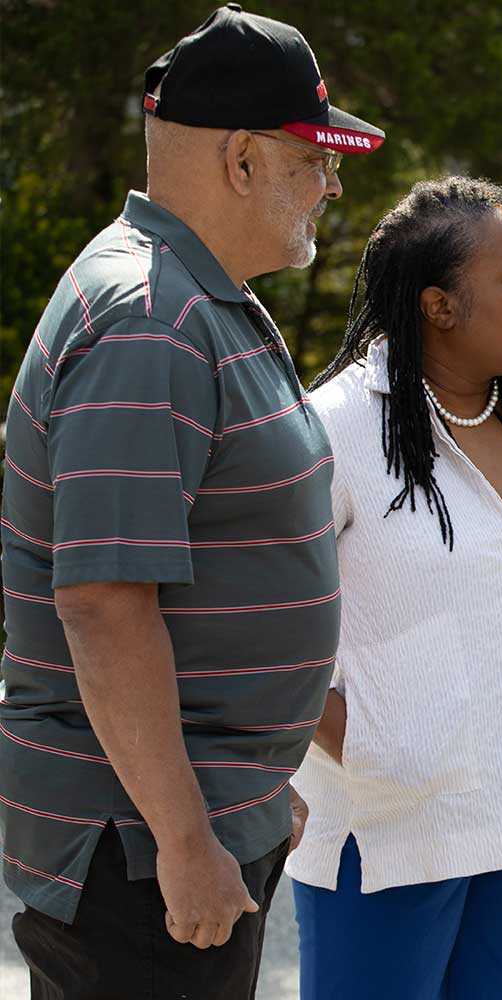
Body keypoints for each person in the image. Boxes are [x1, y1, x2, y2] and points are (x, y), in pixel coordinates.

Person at [0, 5, 384, 998]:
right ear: (244, 159)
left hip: (183, 821)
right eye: (316, 157)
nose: (334, 184)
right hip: (134, 849)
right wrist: (185, 838)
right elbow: (104, 601)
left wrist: (252, 793)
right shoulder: (151, 321)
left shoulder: (199, 296)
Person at [285, 176, 502, 1000]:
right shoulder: (333, 429)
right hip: (388, 838)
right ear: (439, 306)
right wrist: (377, 752)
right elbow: (257, 620)